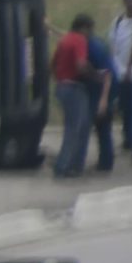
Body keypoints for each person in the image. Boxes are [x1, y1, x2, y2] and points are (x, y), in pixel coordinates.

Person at [50, 15, 98, 178]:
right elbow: (80, 65)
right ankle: (64, 166)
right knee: (74, 129)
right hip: (74, 88)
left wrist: (59, 78)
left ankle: (75, 164)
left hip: (62, 86)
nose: (91, 33)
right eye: (90, 29)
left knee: (82, 126)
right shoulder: (79, 40)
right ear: (83, 28)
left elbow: (53, 64)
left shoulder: (65, 39)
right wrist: (94, 75)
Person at [108, 0, 132, 159]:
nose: (131, 3)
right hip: (121, 73)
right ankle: (128, 138)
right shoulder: (118, 22)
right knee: (125, 108)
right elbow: (113, 47)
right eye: (128, 0)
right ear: (124, 2)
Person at [85, 18, 118, 175]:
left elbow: (107, 74)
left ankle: (105, 162)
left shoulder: (94, 46)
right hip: (104, 89)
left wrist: (103, 100)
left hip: (103, 90)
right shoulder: (95, 42)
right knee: (102, 127)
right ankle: (105, 160)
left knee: (103, 126)